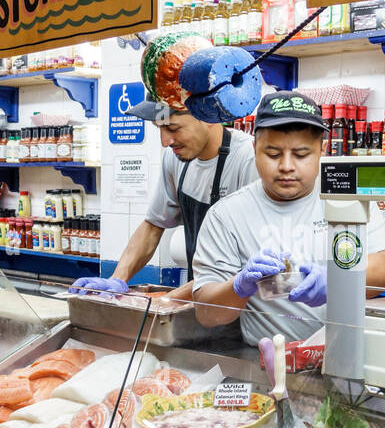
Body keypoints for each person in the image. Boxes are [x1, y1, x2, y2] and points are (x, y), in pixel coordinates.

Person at [191, 91, 385, 345]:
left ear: (322, 150)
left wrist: (337, 278)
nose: (286, 166)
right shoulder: (226, 216)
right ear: (254, 149)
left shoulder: (346, 199)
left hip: (347, 354)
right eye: (273, 154)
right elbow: (206, 314)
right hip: (268, 361)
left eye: (301, 155)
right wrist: (238, 287)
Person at [69, 56, 257, 300]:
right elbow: (153, 226)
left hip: (240, 305)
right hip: (203, 300)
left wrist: (168, 301)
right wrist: (117, 278)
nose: (165, 142)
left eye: (173, 128)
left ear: (208, 117)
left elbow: (240, 264)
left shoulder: (247, 159)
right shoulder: (176, 159)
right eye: (160, 129)